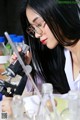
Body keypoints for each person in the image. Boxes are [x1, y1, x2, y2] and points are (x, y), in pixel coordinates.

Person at [20, 0, 80, 94]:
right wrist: (25, 67)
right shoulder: (65, 53)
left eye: (39, 24)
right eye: (33, 28)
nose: (36, 34)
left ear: (59, 12)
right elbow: (47, 86)